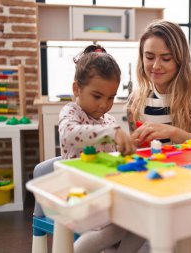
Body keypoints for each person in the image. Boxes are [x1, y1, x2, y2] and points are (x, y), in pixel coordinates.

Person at [58, 44, 144, 253]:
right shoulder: (71, 112)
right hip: (80, 195)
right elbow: (70, 133)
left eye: (111, 97)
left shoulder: (108, 119)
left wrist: (128, 146)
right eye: (97, 96)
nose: (104, 105)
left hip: (105, 193)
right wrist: (111, 132)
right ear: (76, 89)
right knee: (116, 230)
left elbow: (110, 153)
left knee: (142, 223)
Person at [127, 19, 191, 145]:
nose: (155, 66)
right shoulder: (136, 99)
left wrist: (173, 133)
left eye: (166, 58)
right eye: (149, 57)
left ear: (180, 60)